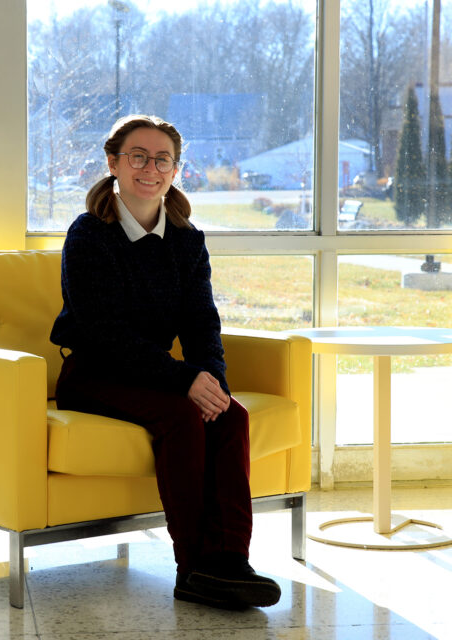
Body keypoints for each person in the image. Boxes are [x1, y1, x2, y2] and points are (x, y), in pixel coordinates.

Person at [50, 114, 281, 610]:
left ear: (176, 170)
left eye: (162, 159)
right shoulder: (89, 235)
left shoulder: (186, 239)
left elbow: (202, 323)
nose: (149, 168)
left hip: (153, 376)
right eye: (138, 156)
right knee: (181, 416)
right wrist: (183, 381)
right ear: (113, 162)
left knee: (231, 415)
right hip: (93, 375)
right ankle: (193, 567)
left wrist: (211, 382)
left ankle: (230, 563)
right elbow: (104, 334)